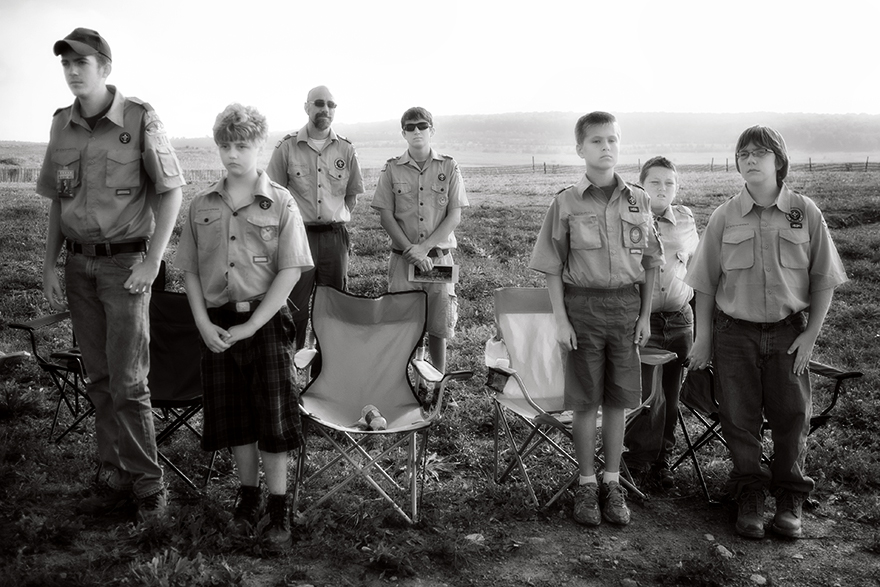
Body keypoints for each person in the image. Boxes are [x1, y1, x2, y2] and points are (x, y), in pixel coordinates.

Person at [37, 27, 184, 523]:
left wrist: (153, 260)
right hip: (78, 267)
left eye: (81, 62)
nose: (72, 71)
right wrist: (50, 264)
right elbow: (58, 202)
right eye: (66, 64)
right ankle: (115, 476)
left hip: (125, 267)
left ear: (105, 67)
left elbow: (171, 192)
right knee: (98, 378)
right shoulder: (62, 125)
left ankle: (149, 486)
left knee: (129, 381)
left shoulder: (139, 118)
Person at [686, 125, 848, 539]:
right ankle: (750, 495)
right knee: (739, 418)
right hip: (734, 334)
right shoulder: (724, 216)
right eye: (743, 154)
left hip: (788, 333)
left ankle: (790, 497)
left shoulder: (804, 212)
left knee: (792, 416)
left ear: (780, 161)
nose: (751, 160)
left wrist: (810, 336)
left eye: (760, 153)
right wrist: (703, 339)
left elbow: (824, 280)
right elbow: (705, 285)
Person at [175, 104, 312, 551]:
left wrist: (254, 324)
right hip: (217, 325)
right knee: (236, 418)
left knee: (272, 416)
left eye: (241, 145)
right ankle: (248, 499)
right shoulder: (201, 205)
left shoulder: (281, 202)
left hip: (265, 322)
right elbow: (190, 270)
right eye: (225, 146)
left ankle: (278, 506)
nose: (232, 154)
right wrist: (201, 322)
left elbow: (291, 270)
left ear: (259, 146)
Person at [529, 112, 664, 526]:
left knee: (618, 401)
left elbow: (651, 263)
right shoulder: (566, 202)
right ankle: (587, 484)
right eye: (596, 141)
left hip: (625, 309)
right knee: (585, 400)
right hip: (582, 309)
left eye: (612, 140)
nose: (606, 147)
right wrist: (561, 320)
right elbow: (552, 267)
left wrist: (645, 316)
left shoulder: (638, 200)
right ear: (580, 149)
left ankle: (612, 482)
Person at [371, 107, 468, 374]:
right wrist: (412, 251)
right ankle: (402, 382)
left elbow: (454, 215)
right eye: (410, 127)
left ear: (431, 130)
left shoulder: (449, 166)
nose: (417, 131)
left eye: (422, 126)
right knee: (401, 325)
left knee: (438, 326)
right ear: (403, 133)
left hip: (437, 260)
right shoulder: (391, 169)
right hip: (404, 261)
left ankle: (436, 382)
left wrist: (424, 249)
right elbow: (386, 217)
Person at [266, 86, 364, 351]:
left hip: (334, 239)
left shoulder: (346, 149)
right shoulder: (287, 147)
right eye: (319, 103)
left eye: (331, 105)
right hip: (298, 239)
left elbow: (352, 196)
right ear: (306, 107)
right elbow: (273, 196)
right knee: (294, 308)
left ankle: (327, 367)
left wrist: (333, 220)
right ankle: (292, 366)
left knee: (334, 309)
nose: (325, 109)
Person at [623, 157, 699, 489]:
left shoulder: (686, 219)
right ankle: (638, 459)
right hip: (644, 321)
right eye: (655, 182)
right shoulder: (628, 218)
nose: (663, 189)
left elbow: (696, 267)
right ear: (642, 185)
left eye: (669, 183)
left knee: (671, 392)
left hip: (680, 319)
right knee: (646, 395)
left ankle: (662, 460)